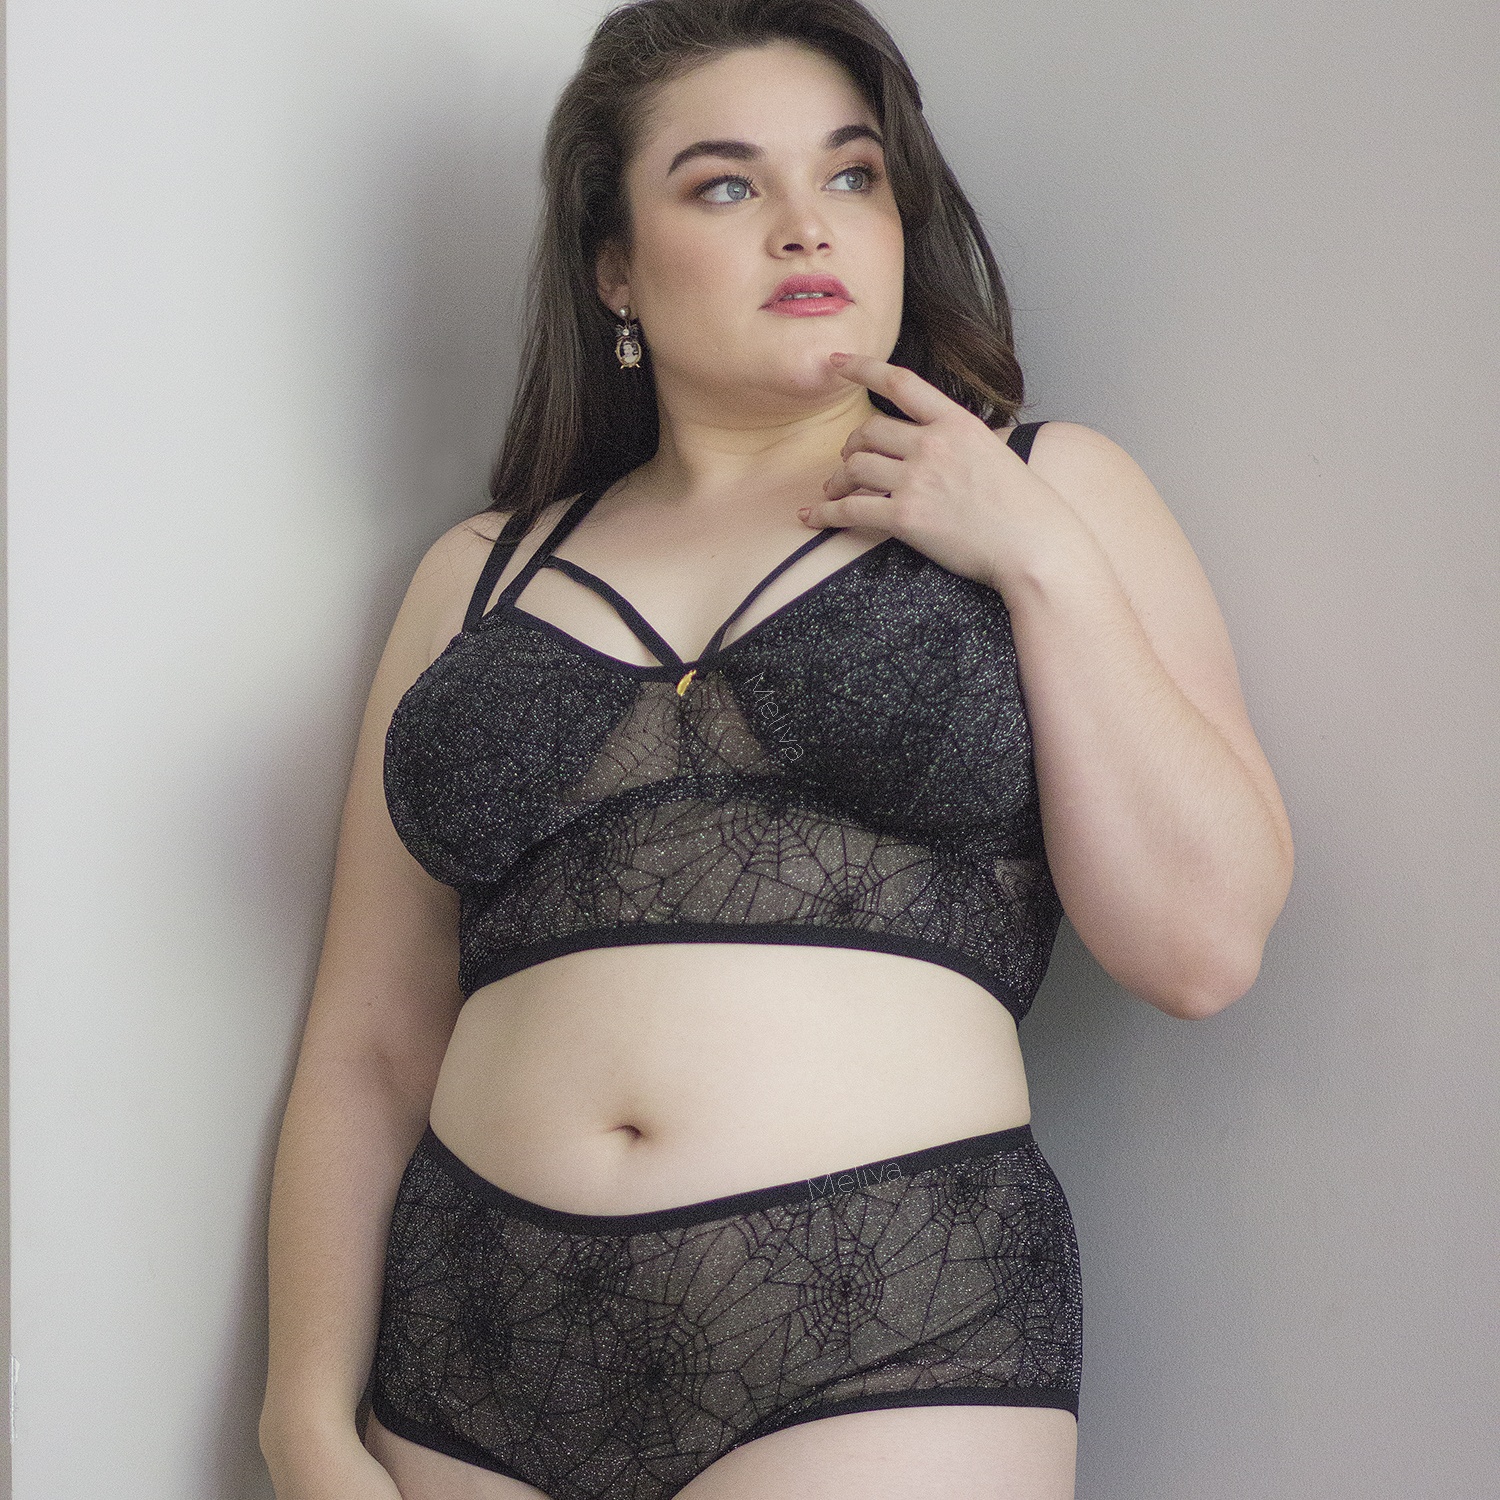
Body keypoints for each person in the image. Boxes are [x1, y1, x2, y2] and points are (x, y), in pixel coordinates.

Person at [257, 2, 1294, 1497]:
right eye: (726, 183)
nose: (807, 224)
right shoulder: (475, 577)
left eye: (851, 174)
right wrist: (302, 1415)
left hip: (883, 1325)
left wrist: (1039, 558)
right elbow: (369, 1040)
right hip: (468, 1346)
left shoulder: (1051, 488)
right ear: (615, 267)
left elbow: (1203, 948)